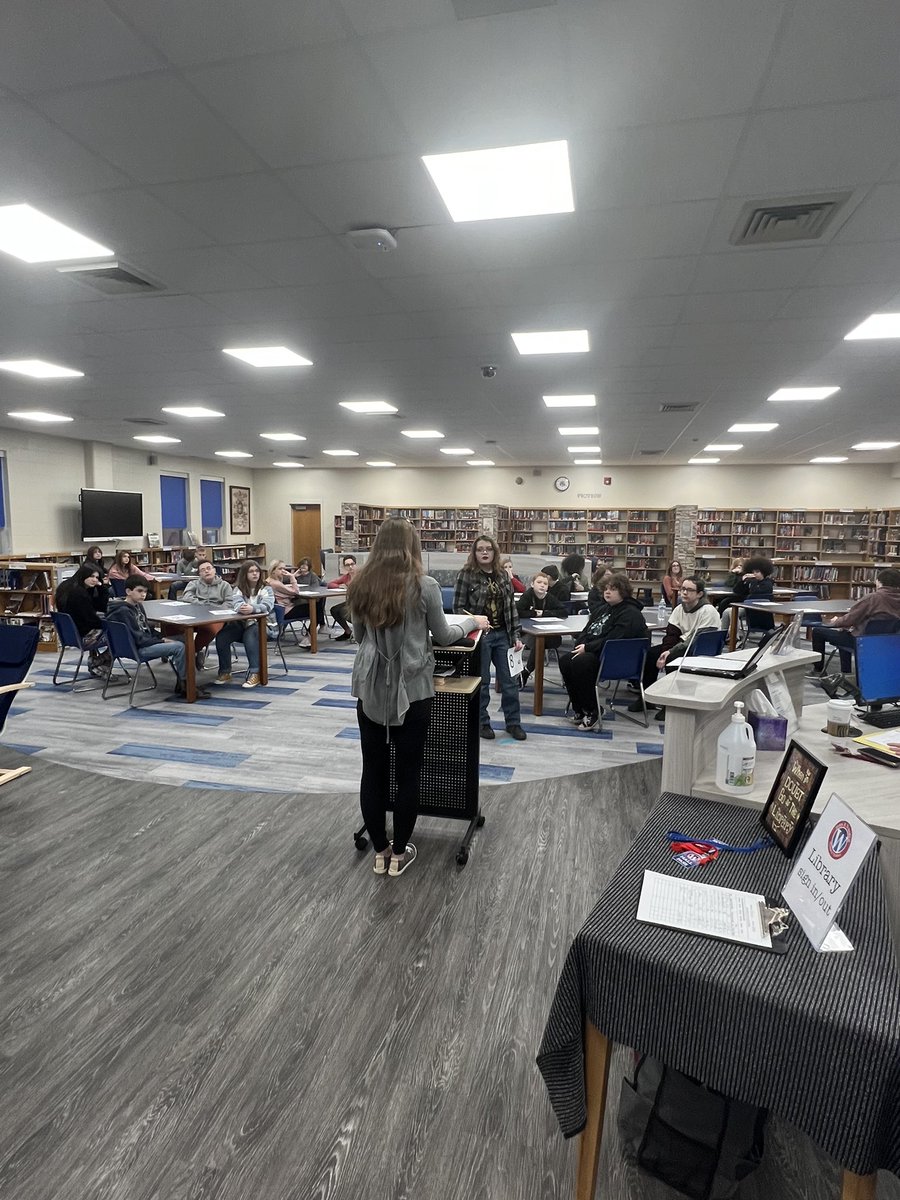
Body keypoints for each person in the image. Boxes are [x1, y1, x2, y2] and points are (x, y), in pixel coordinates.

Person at [350, 517, 488, 877]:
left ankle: (379, 851)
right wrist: (472, 621)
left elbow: (358, 636)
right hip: (412, 691)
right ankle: (399, 853)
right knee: (409, 773)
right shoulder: (424, 586)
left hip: (370, 689)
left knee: (373, 770)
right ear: (412, 547)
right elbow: (444, 636)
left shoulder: (359, 583)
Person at [454, 533, 526, 741]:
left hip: (503, 634)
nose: (484, 552)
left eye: (488, 549)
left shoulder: (503, 575)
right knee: (483, 681)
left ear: (494, 552)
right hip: (481, 636)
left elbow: (511, 607)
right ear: (474, 553)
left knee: (510, 682)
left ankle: (513, 723)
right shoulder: (466, 574)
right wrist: (475, 621)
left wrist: (515, 635)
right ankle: (483, 723)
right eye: (480, 549)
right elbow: (459, 608)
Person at [558, 573, 649, 730]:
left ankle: (594, 710)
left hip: (616, 659)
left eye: (613, 589)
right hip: (597, 653)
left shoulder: (631, 613)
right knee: (566, 660)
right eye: (606, 589)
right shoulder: (602, 609)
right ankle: (580, 708)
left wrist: (587, 648)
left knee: (581, 662)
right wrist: (580, 644)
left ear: (623, 591)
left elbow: (614, 639)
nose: (607, 592)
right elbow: (586, 632)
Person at [630, 576, 721, 707]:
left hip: (700, 648)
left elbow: (697, 640)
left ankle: (672, 704)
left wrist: (670, 652)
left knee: (673, 658)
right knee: (650, 654)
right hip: (681, 644)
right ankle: (647, 697)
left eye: (689, 590)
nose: (684, 592)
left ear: (699, 594)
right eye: (683, 589)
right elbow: (671, 634)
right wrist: (664, 652)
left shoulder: (708, 611)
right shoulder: (679, 608)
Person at [105, 574, 201, 697]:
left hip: (143, 642)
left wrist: (161, 638)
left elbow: (147, 629)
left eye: (145, 591)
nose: (143, 595)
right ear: (128, 591)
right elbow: (139, 639)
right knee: (179, 647)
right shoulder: (122, 612)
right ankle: (187, 686)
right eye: (139, 591)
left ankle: (183, 680)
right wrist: (161, 641)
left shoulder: (137, 606)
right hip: (138, 648)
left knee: (186, 639)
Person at [811, 567, 900, 673]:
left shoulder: (872, 598)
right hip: (891, 642)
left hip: (862, 641)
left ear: (879, 582)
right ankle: (846, 671)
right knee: (845, 632)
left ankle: (818, 669)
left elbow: (849, 619)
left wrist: (835, 622)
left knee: (818, 631)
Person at [215, 560, 274, 689]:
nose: (255, 574)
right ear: (244, 574)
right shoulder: (238, 589)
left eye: (257, 571)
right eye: (251, 571)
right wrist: (241, 608)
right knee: (222, 636)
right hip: (242, 625)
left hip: (265, 626)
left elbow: (267, 606)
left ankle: (255, 672)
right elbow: (236, 604)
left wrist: (252, 608)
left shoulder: (266, 589)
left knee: (251, 633)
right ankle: (225, 671)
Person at [54, 564, 109, 674]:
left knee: (106, 627)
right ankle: (98, 663)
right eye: (92, 577)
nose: (95, 580)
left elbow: (95, 607)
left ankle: (96, 663)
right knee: (120, 635)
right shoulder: (79, 594)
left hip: (69, 635)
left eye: (97, 578)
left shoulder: (65, 586)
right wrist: (103, 588)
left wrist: (99, 587)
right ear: (83, 575)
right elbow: (93, 618)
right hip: (84, 637)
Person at [181, 559, 235, 670]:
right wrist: (203, 604)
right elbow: (186, 597)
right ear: (199, 574)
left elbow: (229, 603)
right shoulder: (194, 584)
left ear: (214, 570)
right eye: (203, 570)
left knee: (209, 629)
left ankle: (191, 652)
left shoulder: (225, 586)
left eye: (209, 568)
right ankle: (183, 652)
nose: (206, 571)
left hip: (217, 618)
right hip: (197, 615)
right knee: (173, 626)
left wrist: (215, 610)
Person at [517, 571, 567, 686]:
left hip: (549, 634)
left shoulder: (549, 597)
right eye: (539, 582)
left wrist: (544, 613)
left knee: (541, 641)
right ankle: (526, 671)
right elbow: (518, 611)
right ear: (532, 584)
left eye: (545, 583)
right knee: (539, 641)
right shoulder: (528, 595)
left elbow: (564, 611)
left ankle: (526, 671)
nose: (542, 585)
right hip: (527, 633)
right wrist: (534, 613)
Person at [718, 557, 775, 630]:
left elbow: (755, 592)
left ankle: (734, 635)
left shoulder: (767, 583)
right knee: (726, 611)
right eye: (753, 572)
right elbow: (737, 590)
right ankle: (724, 633)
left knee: (732, 612)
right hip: (747, 606)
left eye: (757, 572)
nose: (754, 574)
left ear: (763, 572)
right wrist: (742, 581)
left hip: (757, 609)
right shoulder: (751, 581)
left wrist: (753, 581)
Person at [328, 554, 357, 640]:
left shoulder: (362, 575)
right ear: (344, 567)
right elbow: (330, 584)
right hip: (351, 601)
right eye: (347, 565)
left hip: (362, 601)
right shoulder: (346, 577)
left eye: (352, 564)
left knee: (343, 611)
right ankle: (347, 631)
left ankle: (362, 629)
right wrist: (339, 586)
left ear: (355, 564)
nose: (350, 567)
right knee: (334, 610)